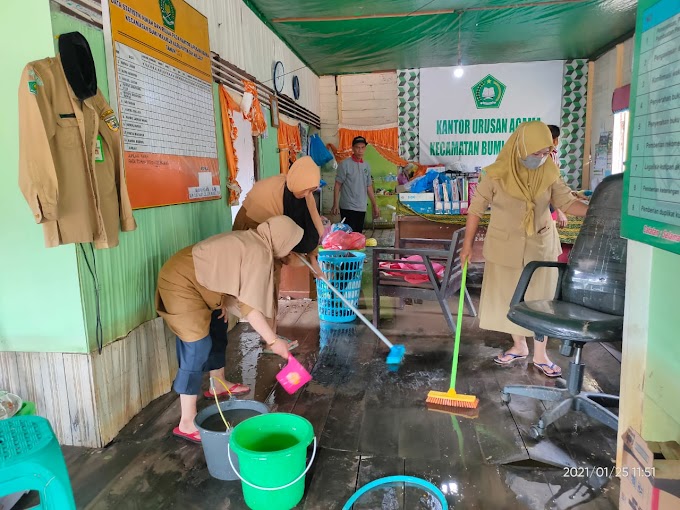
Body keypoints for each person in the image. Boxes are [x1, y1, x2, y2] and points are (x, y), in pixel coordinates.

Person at [155, 216, 303, 443]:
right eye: (290, 245)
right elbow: (249, 306)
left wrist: (221, 300)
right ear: (281, 240)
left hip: (201, 283)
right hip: (180, 282)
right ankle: (186, 421)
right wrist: (273, 341)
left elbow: (229, 278)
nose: (289, 251)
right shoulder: (258, 251)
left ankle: (217, 384)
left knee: (218, 320)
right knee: (196, 346)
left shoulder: (256, 240)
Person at [460, 121, 588, 378]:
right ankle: (519, 346)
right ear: (520, 147)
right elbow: (475, 210)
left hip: (540, 245)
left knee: (540, 300)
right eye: (535, 154)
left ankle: (541, 354)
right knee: (512, 297)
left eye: (544, 153)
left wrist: (597, 208)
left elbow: (566, 202)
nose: (540, 159)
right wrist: (467, 246)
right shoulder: (495, 174)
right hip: (505, 246)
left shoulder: (549, 170)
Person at [233, 156, 324, 338]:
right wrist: (287, 251)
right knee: (263, 283)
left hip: (276, 236)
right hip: (253, 231)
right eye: (306, 190)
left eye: (311, 190)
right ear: (297, 182)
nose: (308, 194)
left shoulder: (305, 193)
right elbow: (270, 235)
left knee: (272, 281)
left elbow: (314, 227)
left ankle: (271, 335)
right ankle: (269, 338)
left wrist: (314, 261)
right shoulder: (267, 194)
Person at [330, 136, 380, 233]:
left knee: (358, 235)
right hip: (347, 206)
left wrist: (374, 205)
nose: (360, 150)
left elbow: (368, 186)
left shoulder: (366, 166)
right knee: (348, 235)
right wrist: (335, 204)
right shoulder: (345, 164)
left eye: (362, 148)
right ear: (353, 148)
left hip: (361, 207)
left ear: (365, 149)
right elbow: (338, 184)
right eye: (357, 147)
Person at [547, 124, 569, 228]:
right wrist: (559, 210)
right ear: (555, 140)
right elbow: (549, 185)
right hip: (547, 202)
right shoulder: (548, 156)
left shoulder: (551, 154)